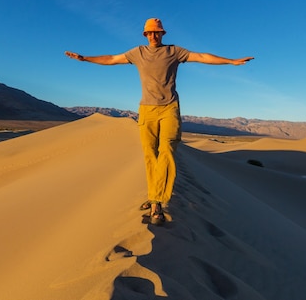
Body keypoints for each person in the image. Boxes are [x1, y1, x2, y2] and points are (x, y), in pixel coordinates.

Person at [65, 18, 253, 225]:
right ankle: (154, 194)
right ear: (145, 35)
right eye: (150, 33)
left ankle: (157, 203)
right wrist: (84, 58)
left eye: (157, 32)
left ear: (163, 34)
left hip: (169, 109)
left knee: (167, 151)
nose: (154, 36)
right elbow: (111, 59)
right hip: (146, 110)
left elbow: (201, 56)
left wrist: (230, 61)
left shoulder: (174, 51)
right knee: (149, 154)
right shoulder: (137, 53)